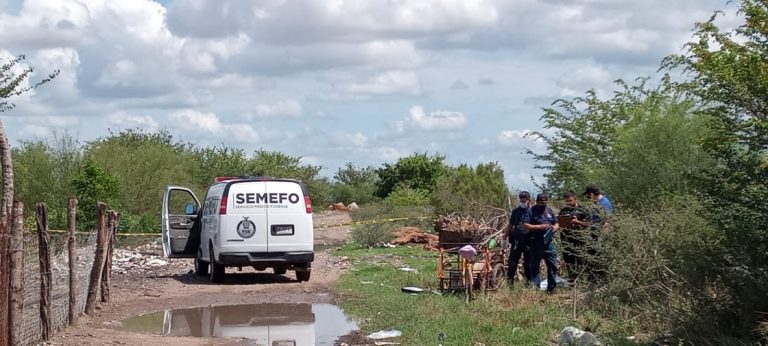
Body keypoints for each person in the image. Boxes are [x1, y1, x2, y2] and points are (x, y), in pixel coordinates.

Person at [522, 193, 559, 293]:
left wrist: (554, 228)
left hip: (549, 241)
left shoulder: (549, 210)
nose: (543, 204)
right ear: (537, 201)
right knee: (535, 265)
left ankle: (551, 288)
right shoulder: (531, 211)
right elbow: (525, 225)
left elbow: (556, 223)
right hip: (536, 241)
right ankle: (536, 287)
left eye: (545, 202)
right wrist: (539, 227)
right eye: (541, 202)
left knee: (552, 264)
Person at [558, 191, 590, 278]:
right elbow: (559, 222)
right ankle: (572, 281)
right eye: (567, 201)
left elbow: (589, 224)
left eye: (570, 200)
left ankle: (582, 281)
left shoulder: (583, 210)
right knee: (569, 261)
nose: (568, 203)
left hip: (579, 239)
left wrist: (578, 222)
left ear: (575, 199)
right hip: (566, 239)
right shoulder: (563, 211)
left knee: (581, 260)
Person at [502, 191, 532, 284]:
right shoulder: (516, 211)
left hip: (529, 241)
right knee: (512, 262)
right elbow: (510, 224)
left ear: (529, 200)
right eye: (521, 200)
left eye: (524, 200)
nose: (522, 202)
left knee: (528, 263)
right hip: (517, 240)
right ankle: (509, 283)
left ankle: (529, 283)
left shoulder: (533, 211)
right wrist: (504, 237)